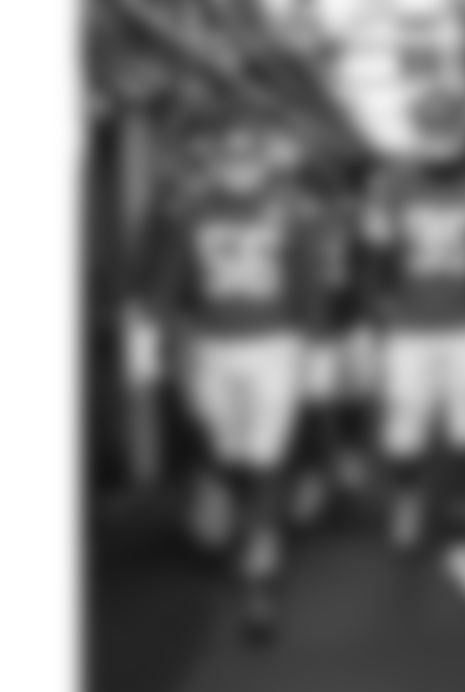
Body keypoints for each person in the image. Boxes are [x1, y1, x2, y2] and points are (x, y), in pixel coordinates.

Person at [123, 107, 330, 644]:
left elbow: (310, 286)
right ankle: (237, 520)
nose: (238, 162)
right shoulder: (187, 212)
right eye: (228, 152)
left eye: (247, 152)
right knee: (224, 450)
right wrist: (147, 343)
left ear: (264, 160)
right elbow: (163, 283)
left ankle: (259, 569)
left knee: (264, 455)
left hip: (275, 348)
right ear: (212, 159)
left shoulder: (296, 212)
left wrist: (318, 355)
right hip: (210, 347)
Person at [360, 159, 465, 605]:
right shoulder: (392, 185)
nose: (442, 135)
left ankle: (464, 539)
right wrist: (372, 321)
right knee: (405, 430)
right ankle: (408, 495)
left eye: (451, 121)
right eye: (432, 123)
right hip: (410, 328)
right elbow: (370, 259)